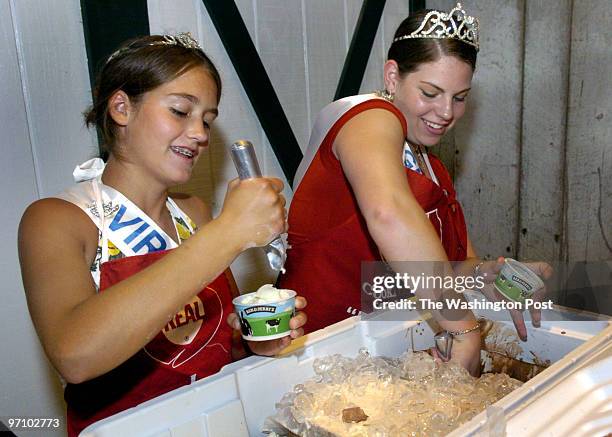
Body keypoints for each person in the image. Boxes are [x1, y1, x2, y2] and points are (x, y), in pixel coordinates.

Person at [18, 33, 306, 436]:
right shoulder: (58, 220)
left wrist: (252, 342)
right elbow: (75, 355)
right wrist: (228, 232)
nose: (201, 133)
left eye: (207, 120)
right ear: (121, 108)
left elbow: (209, 347)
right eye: (180, 111)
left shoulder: (194, 213)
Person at [279, 3, 551, 374]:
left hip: (376, 355)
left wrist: (490, 276)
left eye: (459, 97)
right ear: (392, 76)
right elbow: (389, 214)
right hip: (315, 354)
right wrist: (464, 328)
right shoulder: (368, 117)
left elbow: (450, 267)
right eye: (430, 92)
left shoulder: (431, 168)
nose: (445, 112)